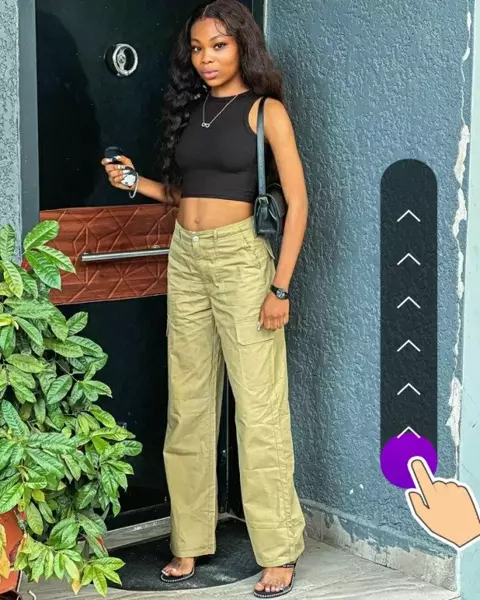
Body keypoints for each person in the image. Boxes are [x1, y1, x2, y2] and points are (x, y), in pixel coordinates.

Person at [102, 0, 308, 596]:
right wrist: (134, 182)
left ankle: (278, 550)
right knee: (187, 405)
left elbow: (298, 203)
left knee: (258, 407)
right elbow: (184, 194)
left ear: (242, 45)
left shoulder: (266, 111)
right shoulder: (193, 111)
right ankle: (190, 541)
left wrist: (280, 287)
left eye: (218, 45)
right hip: (186, 257)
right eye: (197, 48)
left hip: (243, 261)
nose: (206, 58)